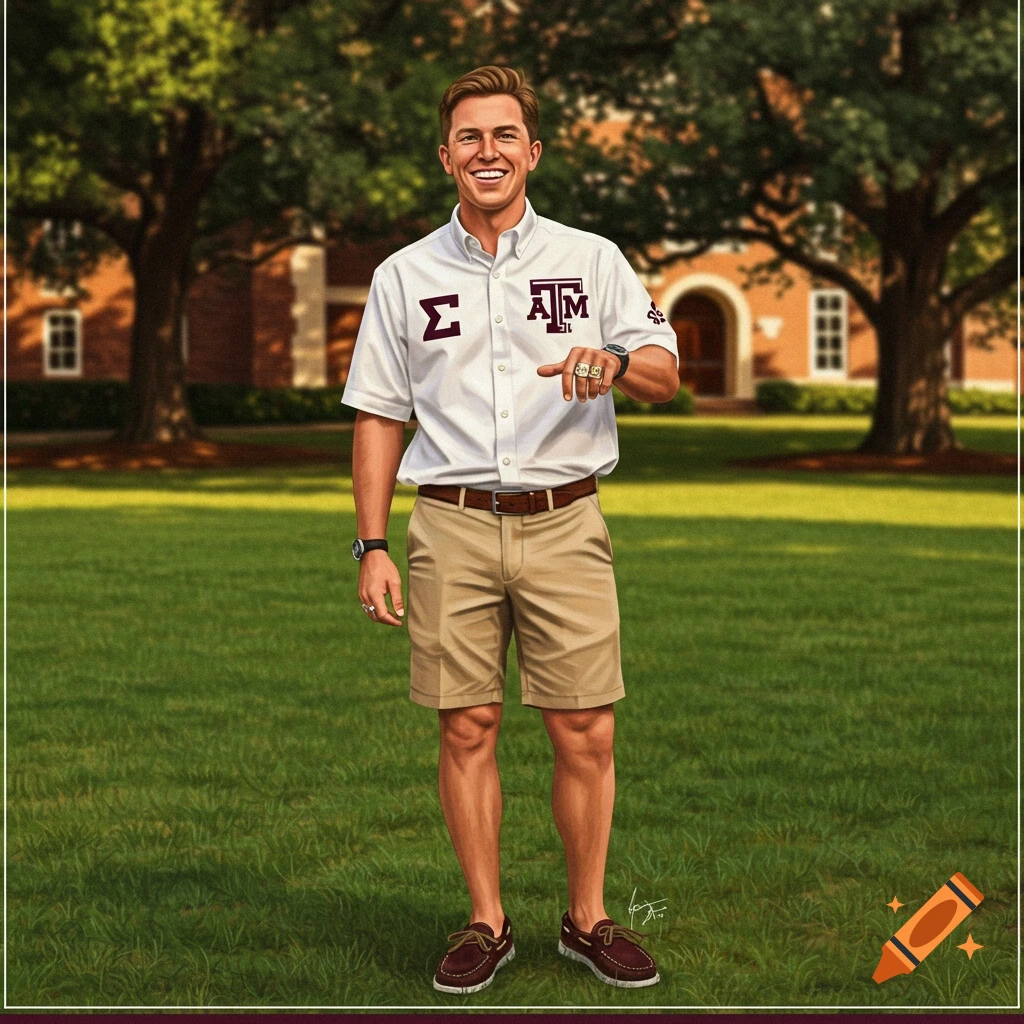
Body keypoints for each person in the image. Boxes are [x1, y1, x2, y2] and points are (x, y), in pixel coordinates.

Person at [342, 65, 680, 995]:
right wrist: (371, 544)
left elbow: (662, 371)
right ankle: (487, 922)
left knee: (585, 730)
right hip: (447, 525)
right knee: (468, 726)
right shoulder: (403, 276)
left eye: (504, 136)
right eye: (468, 138)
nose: (485, 152)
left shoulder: (593, 258)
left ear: (531, 151)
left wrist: (613, 358)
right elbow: (377, 415)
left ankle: (586, 917)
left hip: (565, 522)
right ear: (445, 154)